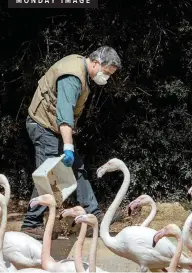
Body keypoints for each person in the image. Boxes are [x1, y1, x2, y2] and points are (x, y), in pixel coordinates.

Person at [21, 46, 123, 240]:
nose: (106, 78)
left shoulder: (81, 68)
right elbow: (64, 116)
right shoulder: (73, 77)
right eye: (106, 72)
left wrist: (69, 149)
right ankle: (31, 224)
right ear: (96, 63)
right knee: (48, 173)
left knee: (77, 167)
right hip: (44, 126)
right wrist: (68, 147)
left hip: (54, 126)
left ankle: (92, 216)